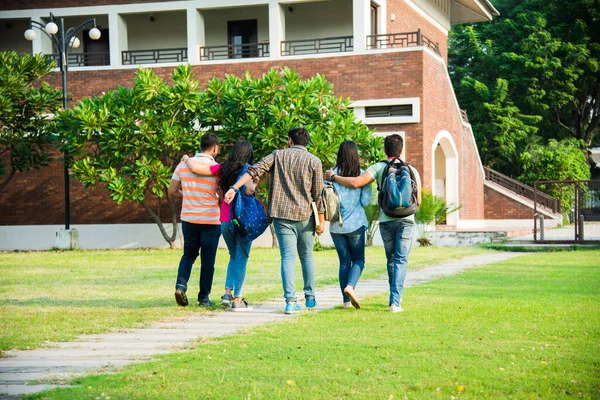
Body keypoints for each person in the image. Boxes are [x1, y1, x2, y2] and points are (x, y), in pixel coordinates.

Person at [223, 127, 325, 315]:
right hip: (305, 216)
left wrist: (234, 188)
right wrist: (321, 220)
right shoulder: (314, 161)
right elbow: (318, 194)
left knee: (287, 257)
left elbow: (254, 171)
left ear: (290, 141)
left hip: (281, 215)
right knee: (307, 256)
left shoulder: (277, 155)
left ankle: (290, 301)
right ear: (307, 142)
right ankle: (310, 298)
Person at [326, 134, 421, 313]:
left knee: (386, 260)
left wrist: (333, 177)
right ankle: (395, 302)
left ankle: (346, 300)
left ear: (385, 150)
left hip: (384, 220)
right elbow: (419, 200)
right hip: (405, 220)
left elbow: (353, 185)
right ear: (401, 150)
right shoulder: (412, 170)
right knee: (399, 260)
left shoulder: (378, 167)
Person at [183, 139, 257, 311]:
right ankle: (237, 299)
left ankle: (226, 294)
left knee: (233, 255)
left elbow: (196, 169)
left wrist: (187, 159)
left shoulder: (223, 167)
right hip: (242, 220)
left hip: (224, 220)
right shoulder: (249, 170)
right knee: (242, 257)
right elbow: (249, 190)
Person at [169, 133, 221, 307]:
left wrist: (188, 197)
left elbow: (172, 190)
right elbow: (221, 195)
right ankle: (203, 298)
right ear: (214, 148)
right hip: (210, 219)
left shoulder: (183, 165)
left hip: (189, 218)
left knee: (189, 254)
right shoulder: (216, 168)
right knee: (208, 260)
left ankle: (180, 286)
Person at [329, 140, 372, 309]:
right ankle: (350, 286)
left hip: (336, 226)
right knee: (359, 260)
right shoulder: (362, 175)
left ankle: (346, 302)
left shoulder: (331, 175)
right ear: (355, 155)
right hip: (356, 225)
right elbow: (366, 201)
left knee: (344, 263)